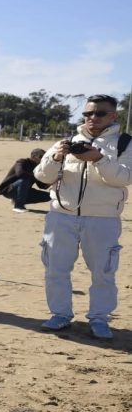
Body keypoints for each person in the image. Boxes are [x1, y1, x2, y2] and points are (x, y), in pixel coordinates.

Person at [33, 94, 132, 340]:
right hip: (61, 216)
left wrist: (98, 159)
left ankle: (99, 318)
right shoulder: (67, 142)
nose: (92, 118)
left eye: (100, 113)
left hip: (103, 218)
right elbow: (42, 177)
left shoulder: (124, 144)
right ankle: (60, 314)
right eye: (88, 113)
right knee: (55, 269)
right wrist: (56, 157)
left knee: (103, 272)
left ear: (113, 116)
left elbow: (124, 178)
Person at [0, 148, 51, 212]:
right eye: (41, 157)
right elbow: (20, 173)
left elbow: (41, 185)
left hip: (24, 190)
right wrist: (36, 176)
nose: (43, 159)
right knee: (24, 180)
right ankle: (18, 206)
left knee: (49, 196)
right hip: (9, 189)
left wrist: (51, 181)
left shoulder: (38, 168)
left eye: (45, 157)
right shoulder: (22, 161)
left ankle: (17, 200)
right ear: (34, 157)